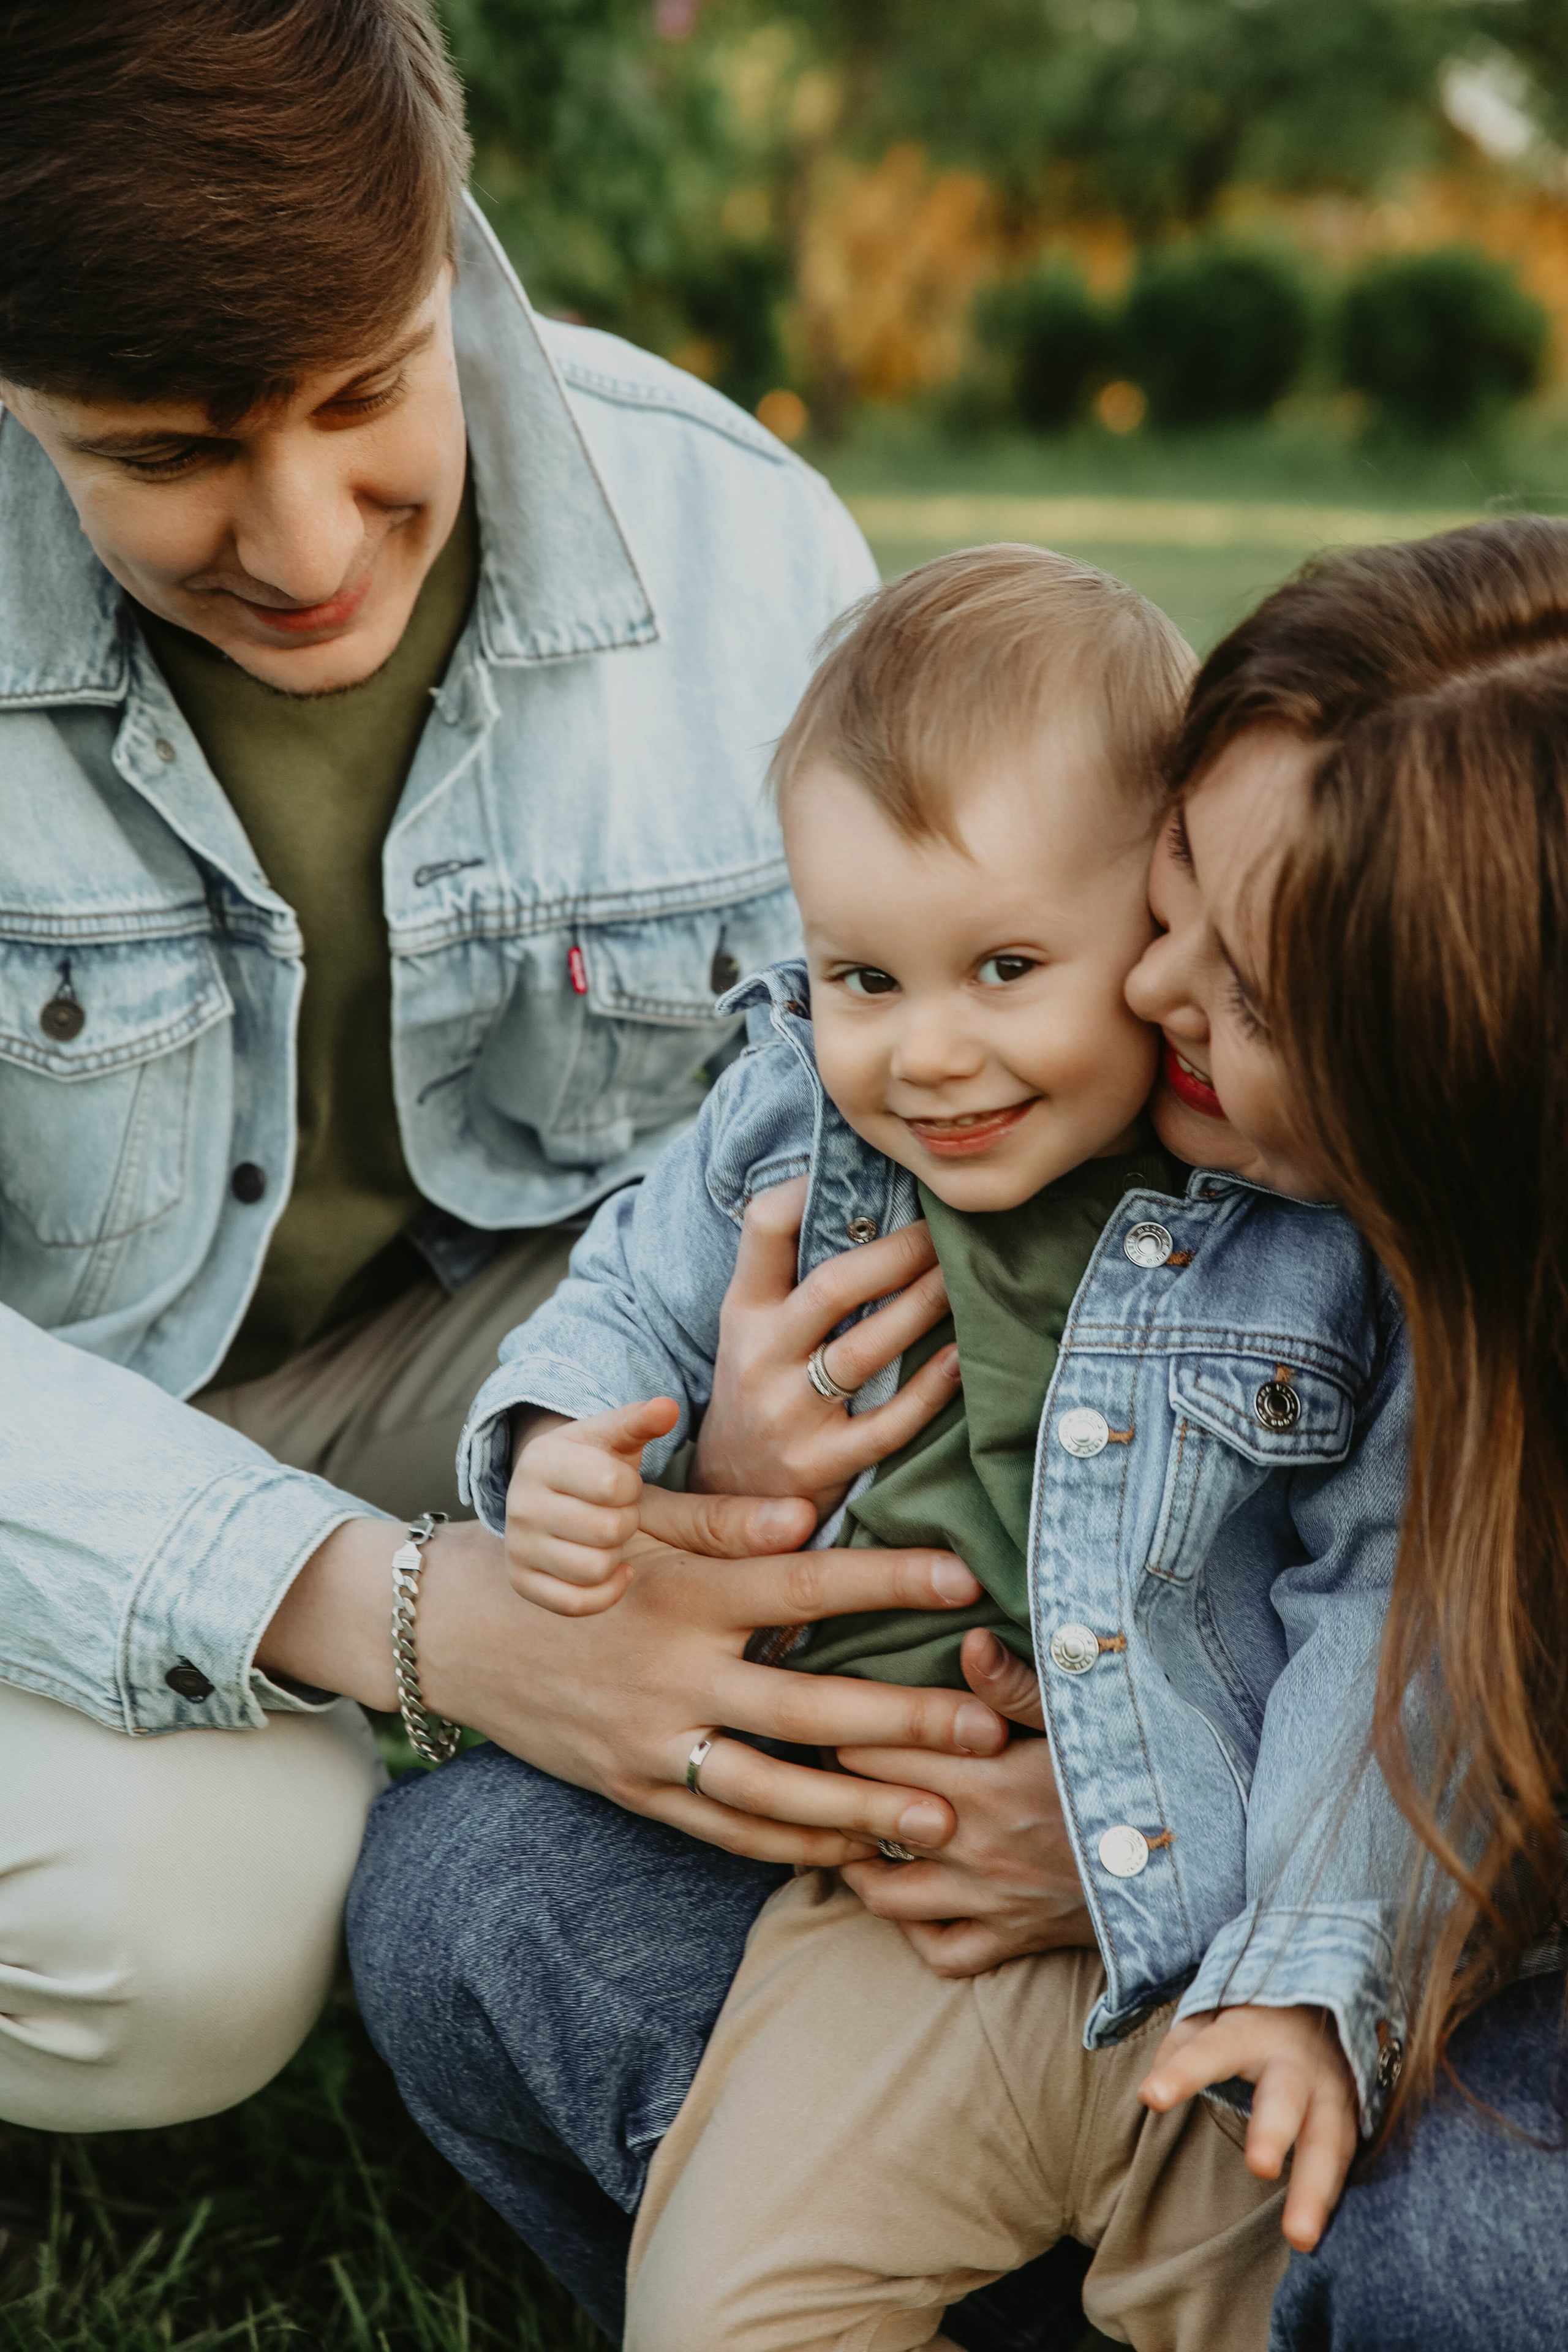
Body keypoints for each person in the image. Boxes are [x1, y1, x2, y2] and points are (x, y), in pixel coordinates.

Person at [0, 0, 1023, 2153]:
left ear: (447, 239)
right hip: (57, 1411)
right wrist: (416, 1619)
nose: (301, 545)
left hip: (495, 1359)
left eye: (366, 394)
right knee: (187, 1925)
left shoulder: (746, 552)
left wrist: (720, 1427)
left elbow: (865, 1126)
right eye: (164, 455)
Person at [356, 550, 1418, 2350]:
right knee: (727, 2305)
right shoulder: (791, 1121)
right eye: (863, 975)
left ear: (1162, 923)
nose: (927, 1053)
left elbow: (1382, 1604)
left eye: (1007, 967)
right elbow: (623, 1292)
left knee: (1290, 2302)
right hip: (885, 1927)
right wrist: (564, 1447)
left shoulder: (1294, 1211)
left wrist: (1309, 1950)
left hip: (1222, 1963)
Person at [1120, 519, 1568, 2352]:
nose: (1150, 994)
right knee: (478, 1897)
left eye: (1254, 999)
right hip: (1209, 1994)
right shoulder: (1174, 1159)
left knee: (1459, 2239)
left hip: (1407, 2000)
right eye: (1172, 890)